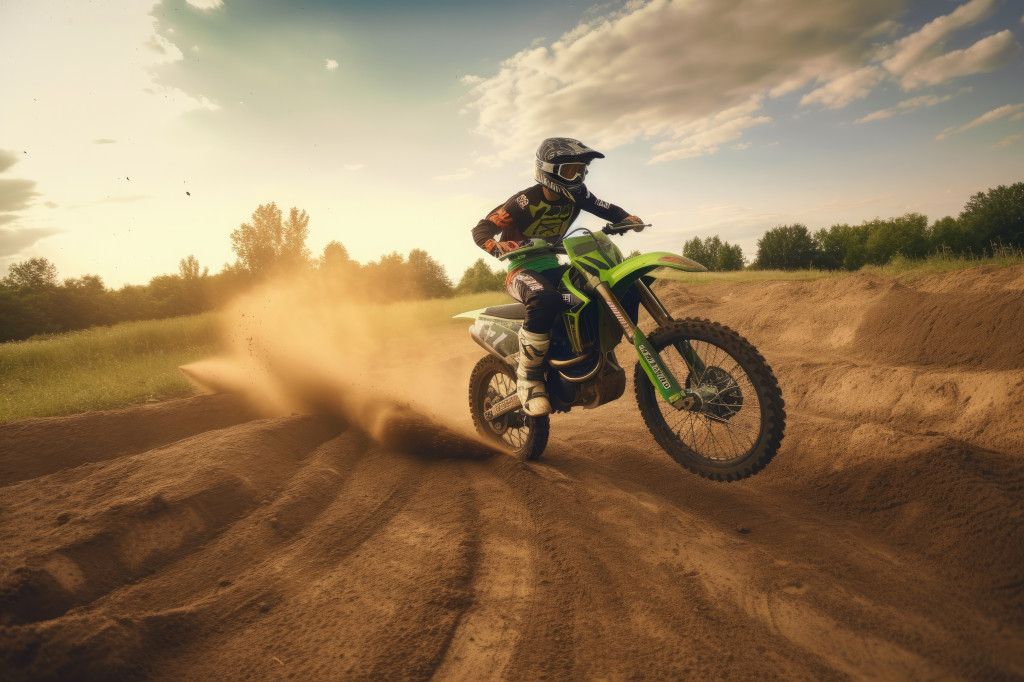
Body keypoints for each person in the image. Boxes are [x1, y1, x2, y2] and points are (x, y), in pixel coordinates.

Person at [471, 137, 644, 417]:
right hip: (521, 269)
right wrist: (496, 245)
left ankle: (585, 356)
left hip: (553, 263)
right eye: (569, 171)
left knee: (598, 285)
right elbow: (482, 228)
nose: (576, 177)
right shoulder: (524, 200)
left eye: (580, 170)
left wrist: (626, 218)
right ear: (547, 170)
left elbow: (606, 208)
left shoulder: (578, 194)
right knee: (545, 298)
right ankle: (528, 378)